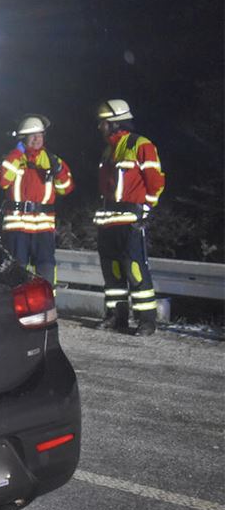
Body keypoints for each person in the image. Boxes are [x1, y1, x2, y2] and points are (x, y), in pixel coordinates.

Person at [93, 99, 166, 336]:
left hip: (130, 218)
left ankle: (147, 321)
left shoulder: (140, 144)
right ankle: (116, 317)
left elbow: (155, 181)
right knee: (112, 272)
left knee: (134, 269)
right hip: (108, 219)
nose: (100, 127)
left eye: (103, 123)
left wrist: (146, 208)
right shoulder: (108, 149)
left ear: (114, 123)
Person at [0, 114, 74, 286]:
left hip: (43, 228)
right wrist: (16, 153)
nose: (37, 139)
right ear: (23, 137)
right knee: (17, 271)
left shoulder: (52, 160)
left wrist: (58, 170)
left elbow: (66, 188)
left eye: (40, 135)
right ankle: (16, 308)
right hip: (17, 227)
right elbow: (2, 181)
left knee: (46, 269)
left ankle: (47, 307)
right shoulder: (13, 158)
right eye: (33, 135)